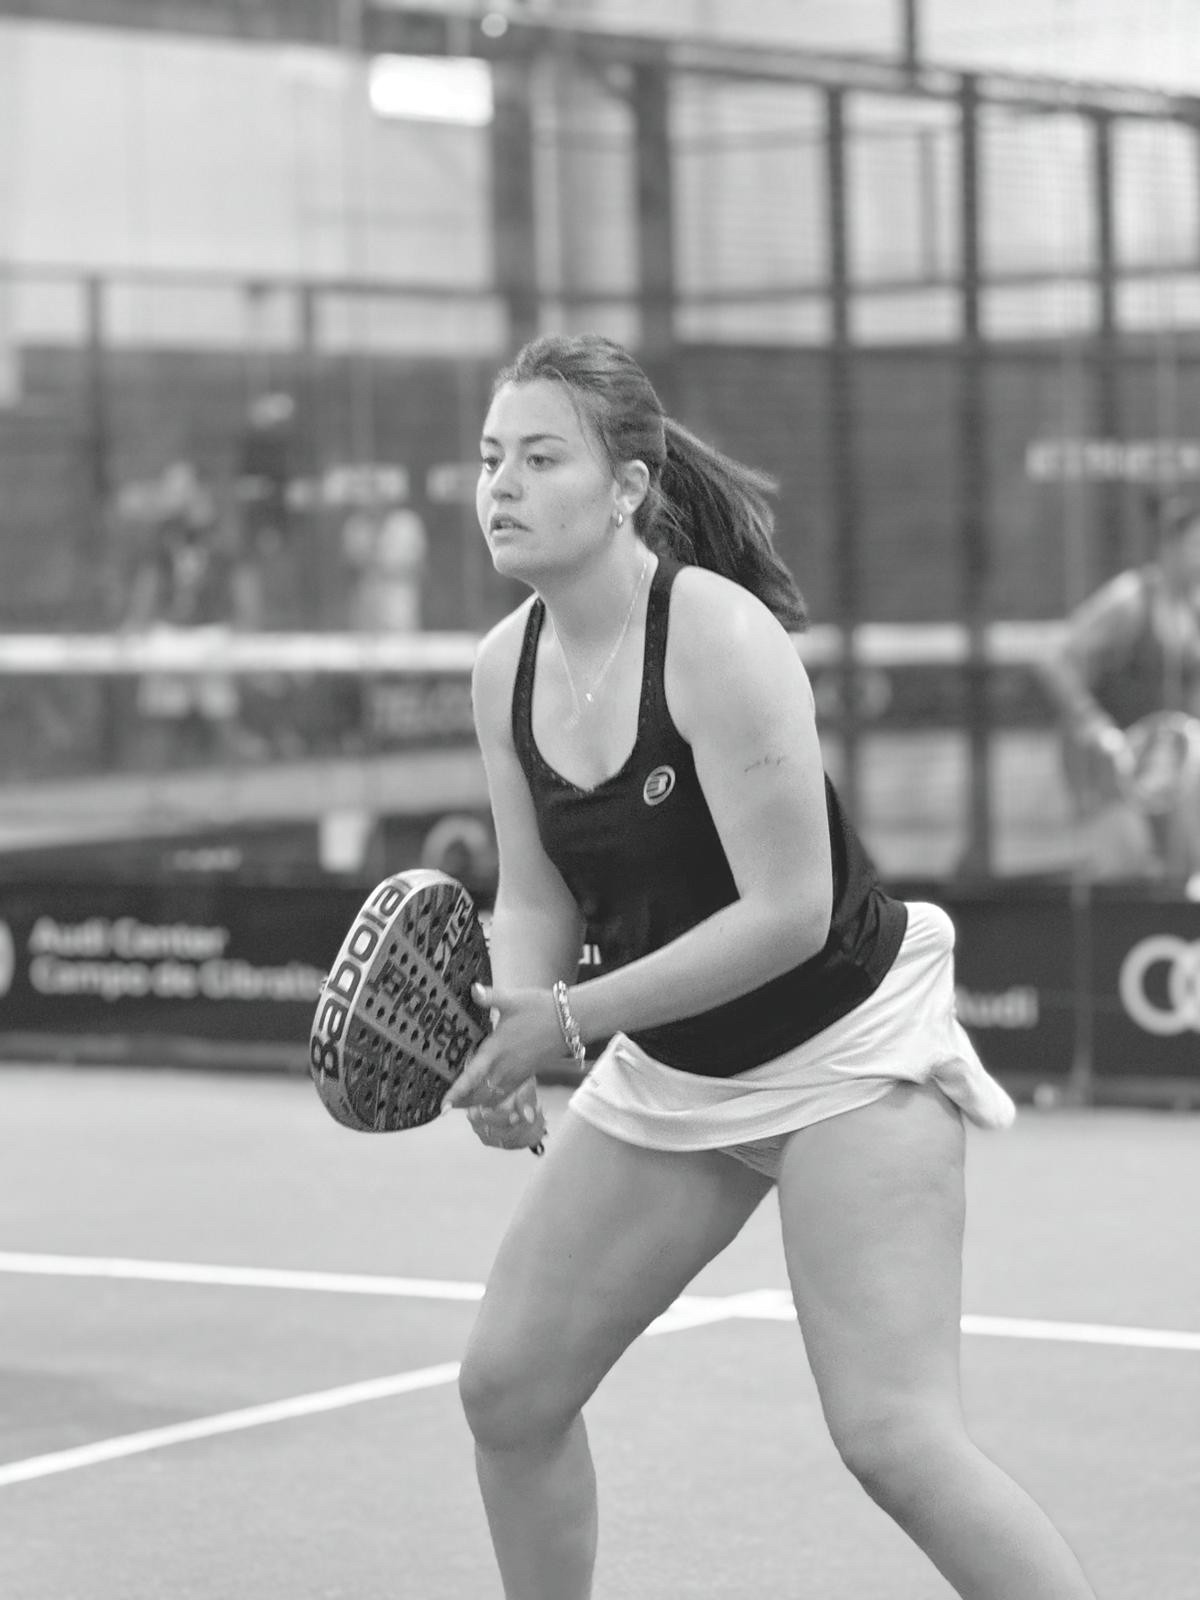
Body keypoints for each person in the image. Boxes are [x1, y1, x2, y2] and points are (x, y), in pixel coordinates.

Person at [439, 332, 1098, 1600]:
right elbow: (536, 891)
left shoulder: (718, 636)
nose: (501, 486)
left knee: (895, 1438)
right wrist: (514, 1020)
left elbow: (790, 914)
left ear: (628, 486)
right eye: (488, 458)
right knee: (507, 1390)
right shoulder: (501, 666)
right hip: (680, 1071)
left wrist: (565, 1020)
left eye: (541, 458)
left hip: (848, 1055)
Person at [1038, 497, 1200, 883]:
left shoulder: (1193, 609)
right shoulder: (1130, 598)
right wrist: (1094, 725)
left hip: (1170, 777)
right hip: (1111, 779)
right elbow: (1057, 660)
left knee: (1180, 875)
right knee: (1127, 874)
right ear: (1171, 545)